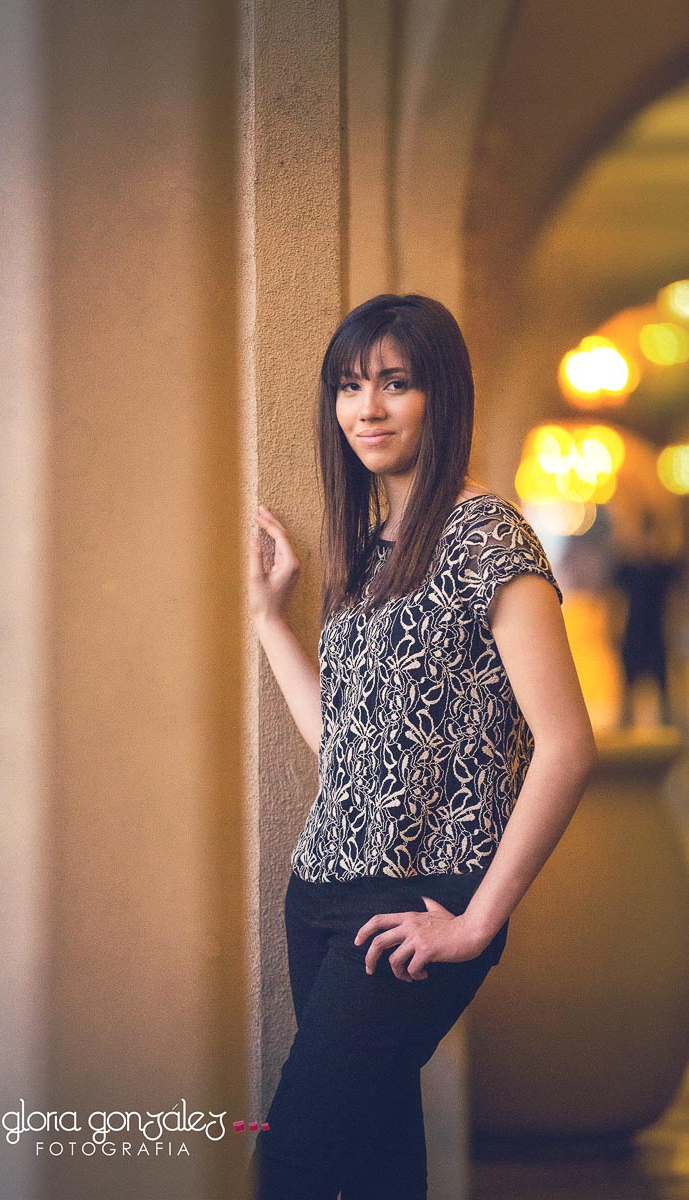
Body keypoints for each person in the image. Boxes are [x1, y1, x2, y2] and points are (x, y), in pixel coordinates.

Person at [246, 293, 598, 1200]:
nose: (368, 408)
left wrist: (477, 922)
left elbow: (566, 746)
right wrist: (269, 622)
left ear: (442, 397)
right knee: (374, 1167)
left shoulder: (489, 538)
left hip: (416, 911)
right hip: (320, 899)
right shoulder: (371, 549)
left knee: (290, 1162)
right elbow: (352, 747)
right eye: (351, 386)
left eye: (396, 385)